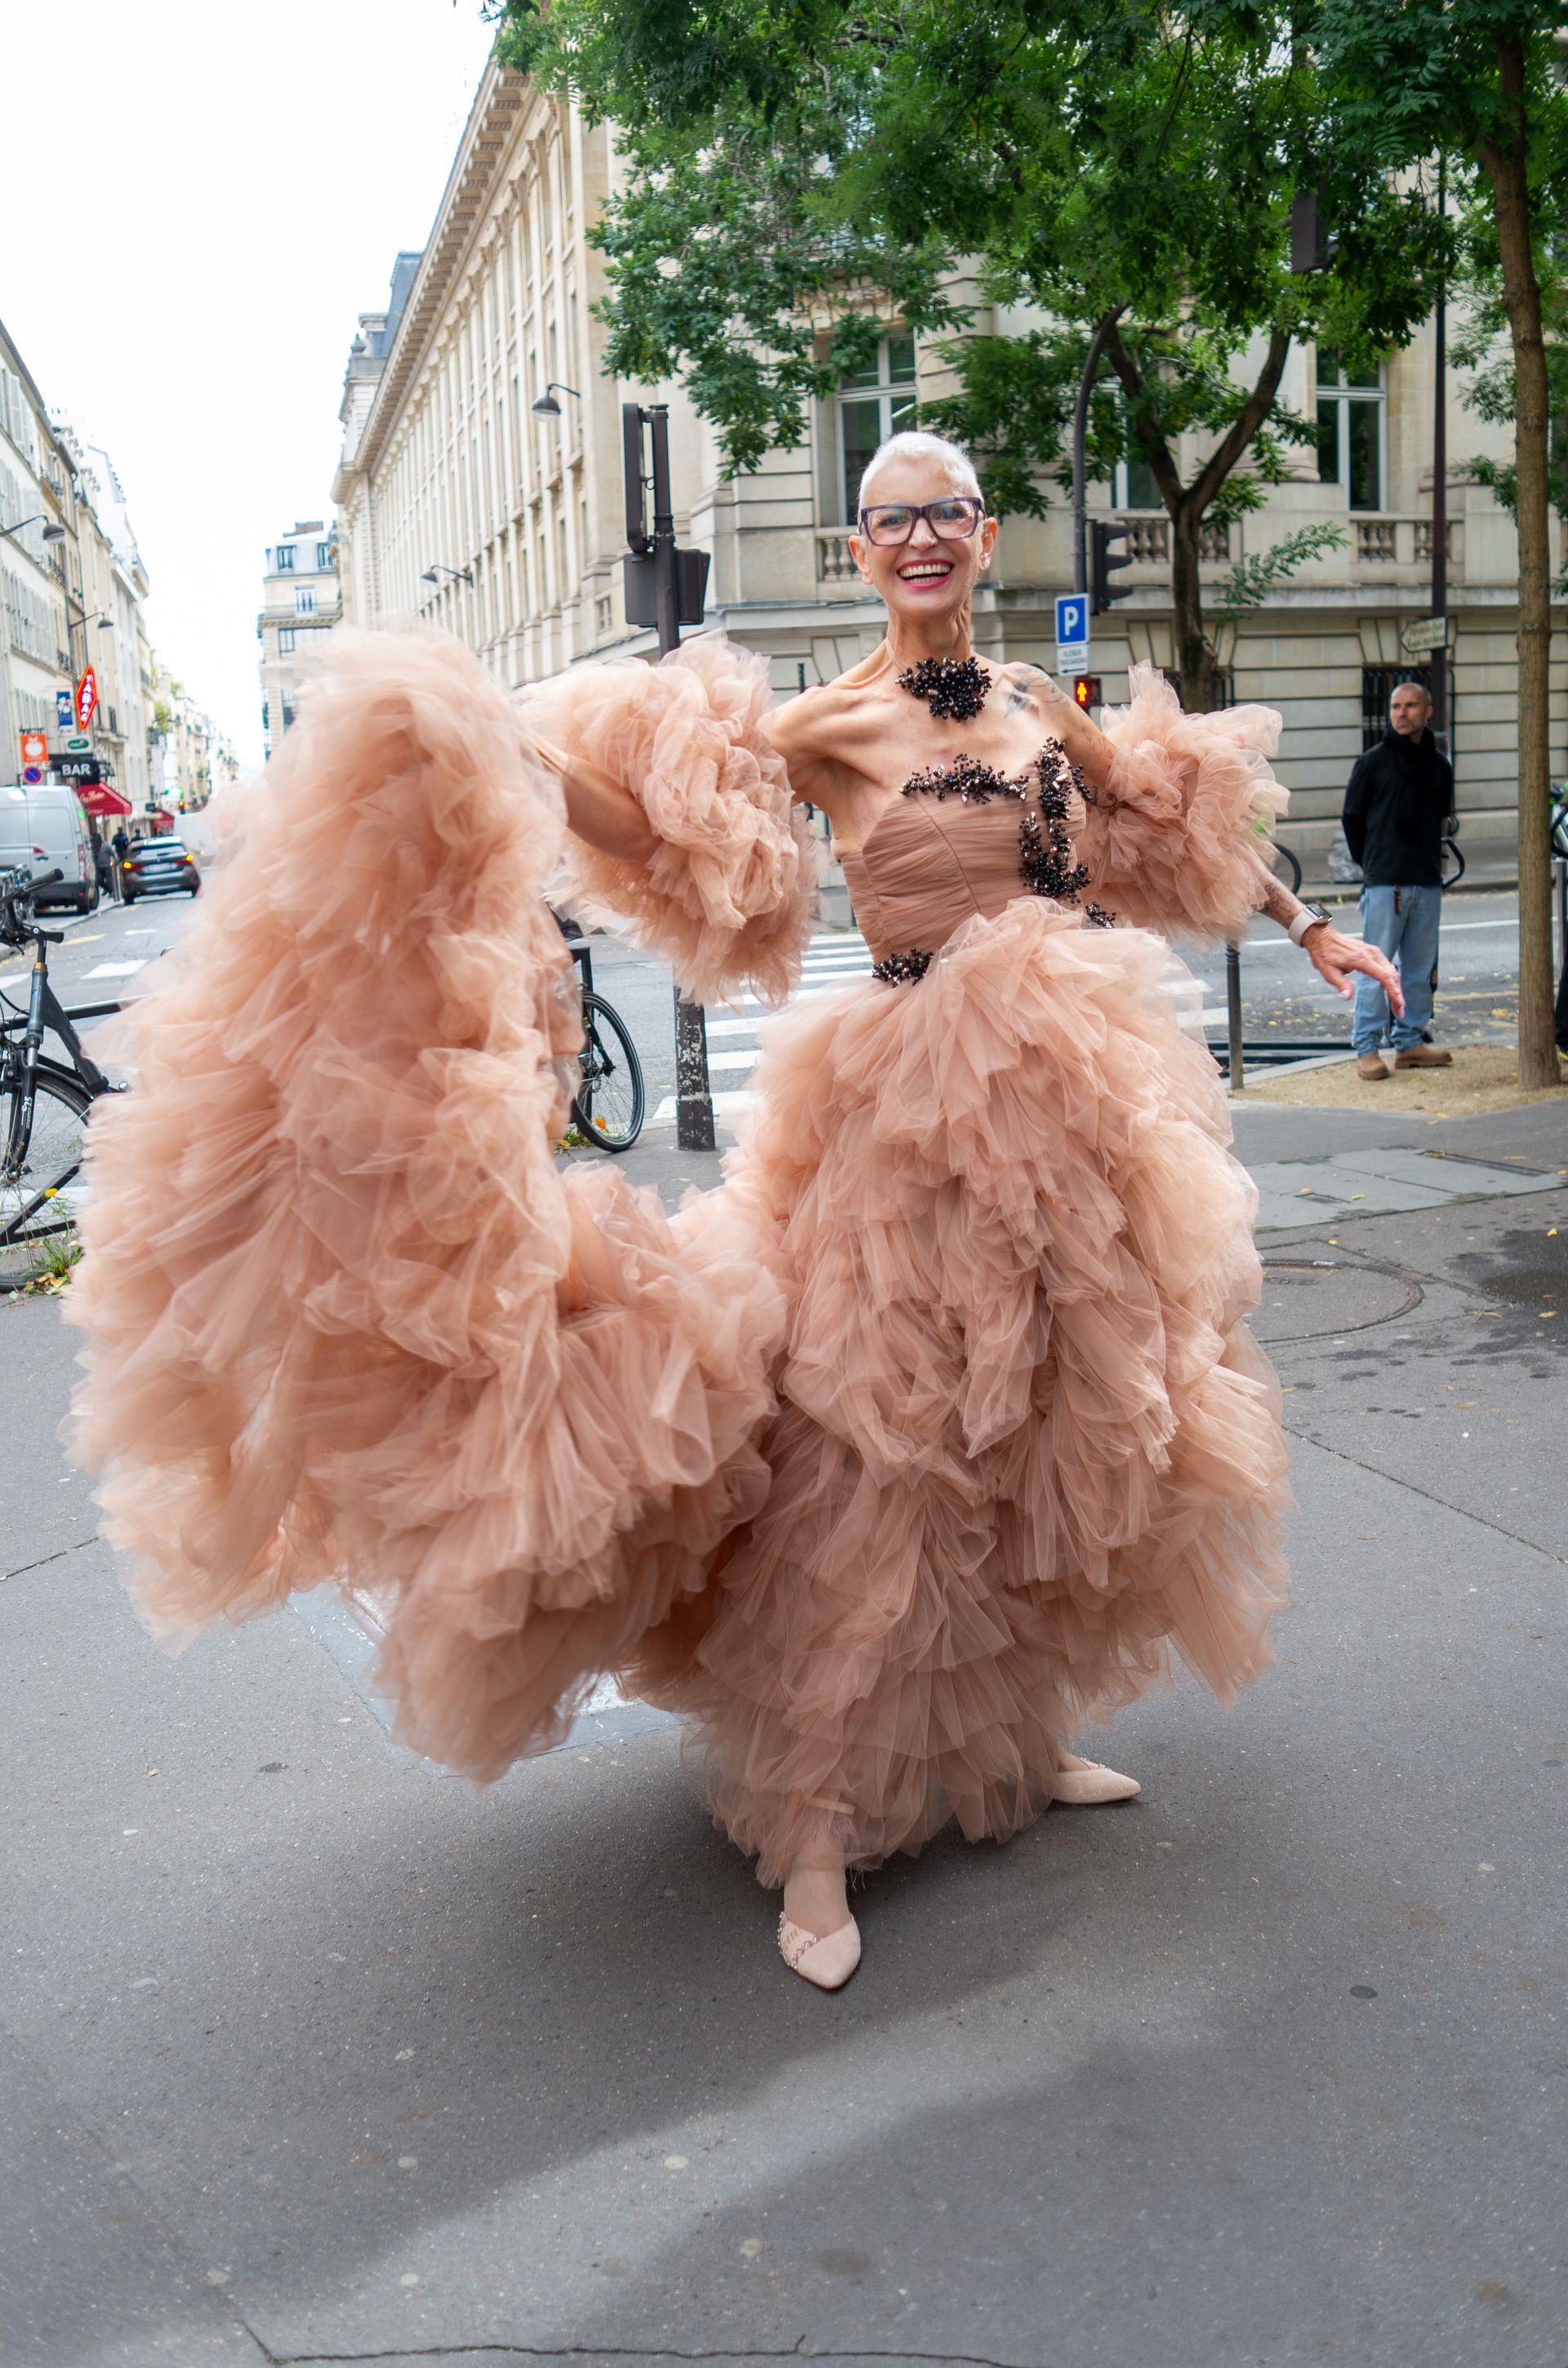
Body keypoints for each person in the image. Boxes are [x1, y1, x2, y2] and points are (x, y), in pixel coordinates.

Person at [66, 433, 1403, 1993]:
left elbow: (1158, 833)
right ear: (860, 551)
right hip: (903, 1121)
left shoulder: (1043, 702)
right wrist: (507, 746)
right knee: (877, 1452)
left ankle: (1016, 1740)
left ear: (983, 535)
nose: (920, 538)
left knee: (1055, 1432)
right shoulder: (830, 721)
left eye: (944, 514)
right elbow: (656, 829)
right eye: (890, 517)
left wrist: (1314, 928)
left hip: (1082, 1125)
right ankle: (815, 1820)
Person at [1342, 681, 1456, 1080]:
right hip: (1385, 880)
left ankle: (1409, 1043)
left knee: (1420, 969)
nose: (1401, 713)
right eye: (1395, 706)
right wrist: (1371, 863)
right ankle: (1367, 1048)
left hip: (1426, 878)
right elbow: (1352, 818)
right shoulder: (1372, 762)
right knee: (1377, 968)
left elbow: (1442, 817)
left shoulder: (1439, 766)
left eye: (1410, 706)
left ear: (1428, 712)